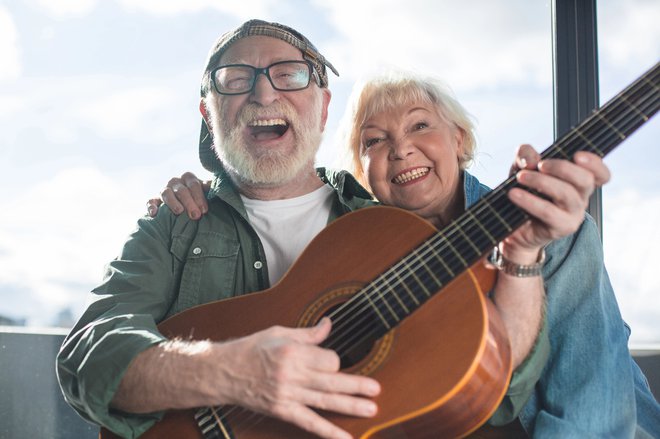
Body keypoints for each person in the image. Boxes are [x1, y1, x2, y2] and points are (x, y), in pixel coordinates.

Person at [56, 19, 609, 439]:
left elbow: (498, 388)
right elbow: (88, 355)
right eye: (235, 80)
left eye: (289, 76)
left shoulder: (386, 228)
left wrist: (522, 251)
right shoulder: (174, 224)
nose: (264, 94)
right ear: (209, 116)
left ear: (322, 107)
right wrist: (225, 372)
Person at [152, 70, 660, 438]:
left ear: (459, 140)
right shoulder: (357, 250)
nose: (401, 149)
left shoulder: (557, 230)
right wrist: (195, 192)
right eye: (375, 140)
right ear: (362, 170)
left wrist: (522, 255)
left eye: (420, 126)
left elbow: (593, 405)